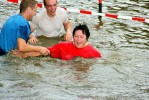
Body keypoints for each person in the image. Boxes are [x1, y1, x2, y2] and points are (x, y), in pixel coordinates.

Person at [15, 24, 102, 60]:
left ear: (87, 38)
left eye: (81, 37)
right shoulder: (62, 46)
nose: (78, 39)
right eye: (76, 36)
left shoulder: (94, 52)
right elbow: (44, 52)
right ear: (73, 37)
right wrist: (25, 54)